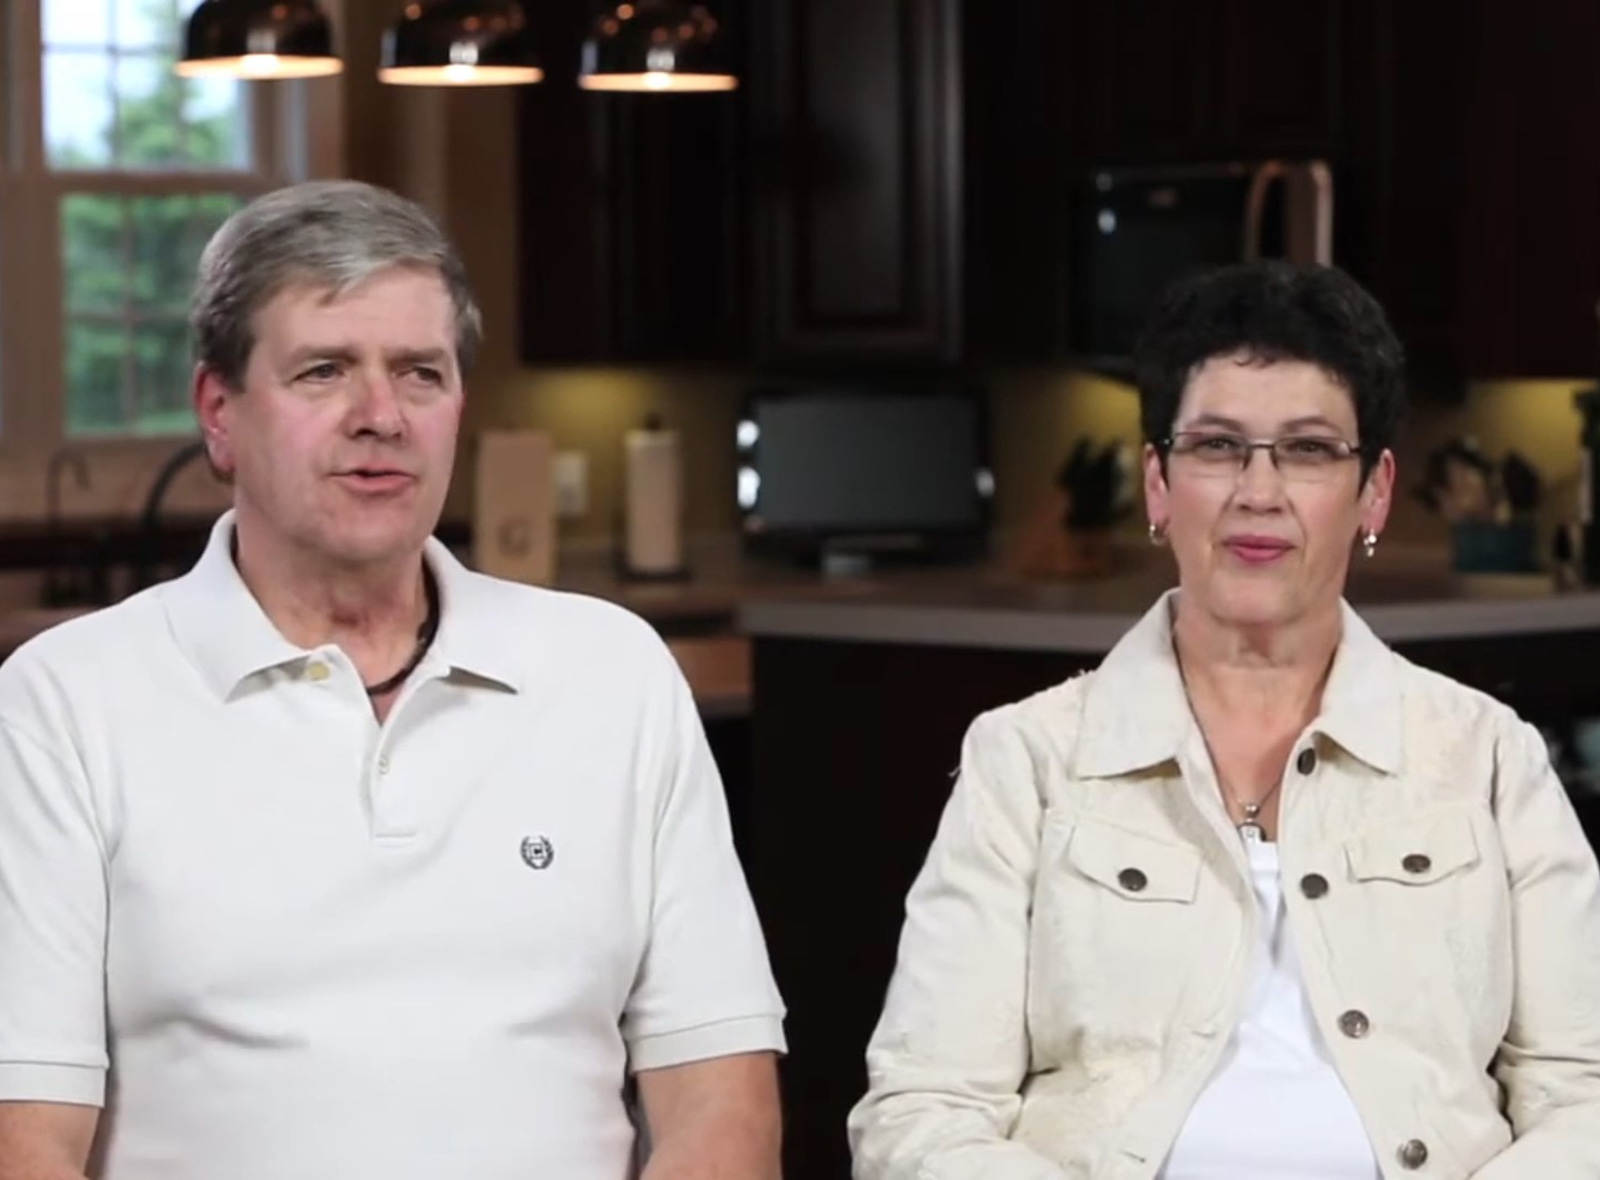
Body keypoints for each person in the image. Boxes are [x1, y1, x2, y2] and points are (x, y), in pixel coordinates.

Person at [0, 180, 784, 1180]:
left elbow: (722, 1101)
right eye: (324, 371)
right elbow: (25, 1140)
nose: (381, 416)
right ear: (219, 412)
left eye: (420, 372)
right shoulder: (64, 703)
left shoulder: (614, 671)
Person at [849, 261, 1600, 1179]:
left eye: (1309, 449)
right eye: (1216, 446)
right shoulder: (1027, 762)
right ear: (1159, 485)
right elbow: (922, 1113)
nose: (1259, 490)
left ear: (1374, 492)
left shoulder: (1486, 758)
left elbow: (1585, 1092)